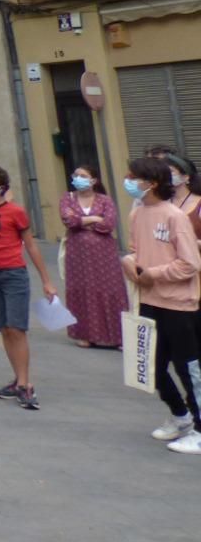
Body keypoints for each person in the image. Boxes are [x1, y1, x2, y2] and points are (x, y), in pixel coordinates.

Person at [123, 156, 201, 454]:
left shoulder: (174, 216)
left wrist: (153, 274)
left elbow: (190, 263)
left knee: (188, 368)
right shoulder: (137, 214)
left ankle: (200, 426)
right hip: (149, 302)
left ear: (151, 183)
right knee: (150, 366)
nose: (128, 182)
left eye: (133, 177)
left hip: (179, 305)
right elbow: (134, 250)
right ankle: (180, 416)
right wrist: (130, 263)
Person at [0, 164, 57, 410]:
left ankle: (26, 384)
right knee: (5, 328)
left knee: (17, 329)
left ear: (1, 186)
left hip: (13, 274)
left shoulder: (15, 212)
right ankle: (18, 378)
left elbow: (31, 245)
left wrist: (46, 280)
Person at [57, 165, 126, 349]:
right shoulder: (68, 198)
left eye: (83, 176)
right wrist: (94, 219)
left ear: (94, 180)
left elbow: (108, 224)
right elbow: (69, 221)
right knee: (82, 289)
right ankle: (85, 334)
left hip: (104, 253)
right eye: (76, 175)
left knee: (111, 290)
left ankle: (118, 336)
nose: (78, 178)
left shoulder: (105, 200)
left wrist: (83, 221)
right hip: (77, 254)